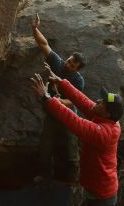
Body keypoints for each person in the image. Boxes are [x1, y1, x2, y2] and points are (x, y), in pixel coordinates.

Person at [29, 65, 124, 206]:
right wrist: (61, 82)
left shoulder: (105, 133)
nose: (98, 100)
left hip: (101, 198)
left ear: (107, 113)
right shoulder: (105, 118)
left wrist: (46, 98)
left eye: (103, 102)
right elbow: (83, 100)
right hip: (94, 189)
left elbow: (75, 121)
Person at [31, 14, 86, 184]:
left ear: (78, 69)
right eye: (69, 61)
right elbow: (44, 44)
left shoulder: (78, 80)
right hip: (53, 115)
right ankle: (45, 176)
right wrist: (35, 28)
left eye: (72, 65)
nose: (68, 65)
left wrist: (56, 100)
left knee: (70, 149)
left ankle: (72, 181)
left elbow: (75, 101)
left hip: (69, 117)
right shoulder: (57, 62)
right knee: (45, 147)